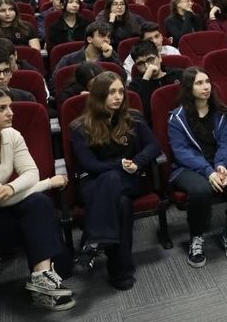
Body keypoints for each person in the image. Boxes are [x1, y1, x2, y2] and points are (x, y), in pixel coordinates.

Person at [0, 87, 76, 311]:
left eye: (10, 106)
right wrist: (48, 183)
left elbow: (31, 173)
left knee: (38, 204)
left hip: (2, 206)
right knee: (39, 208)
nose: (10, 112)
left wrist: (12, 188)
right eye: (1, 109)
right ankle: (46, 281)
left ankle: (42, 277)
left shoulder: (11, 135)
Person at [70, 72, 161, 290]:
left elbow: (154, 146)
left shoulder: (134, 118)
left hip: (129, 179)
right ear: (99, 95)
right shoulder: (80, 127)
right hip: (94, 182)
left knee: (114, 183)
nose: (118, 97)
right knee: (121, 203)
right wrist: (120, 164)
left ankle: (92, 241)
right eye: (111, 92)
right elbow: (90, 165)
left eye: (121, 91)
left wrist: (138, 162)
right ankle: (121, 270)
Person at [168, 67, 227, 267]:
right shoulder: (177, 118)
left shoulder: (222, 113)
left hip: (219, 160)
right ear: (189, 88)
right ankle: (196, 236)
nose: (206, 87)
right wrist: (208, 171)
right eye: (199, 83)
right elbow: (181, 152)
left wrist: (221, 165)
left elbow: (226, 143)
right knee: (200, 190)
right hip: (189, 166)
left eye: (207, 82)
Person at [52, 21, 122, 85]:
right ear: (89, 39)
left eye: (108, 37)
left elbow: (123, 78)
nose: (106, 40)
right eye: (101, 36)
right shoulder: (69, 60)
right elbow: (54, 82)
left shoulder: (111, 56)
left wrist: (109, 58)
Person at [126, 40, 183, 120]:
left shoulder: (178, 74)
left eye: (150, 59)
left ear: (159, 57)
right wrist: (146, 79)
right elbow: (142, 113)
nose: (147, 66)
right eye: (140, 63)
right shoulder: (135, 85)